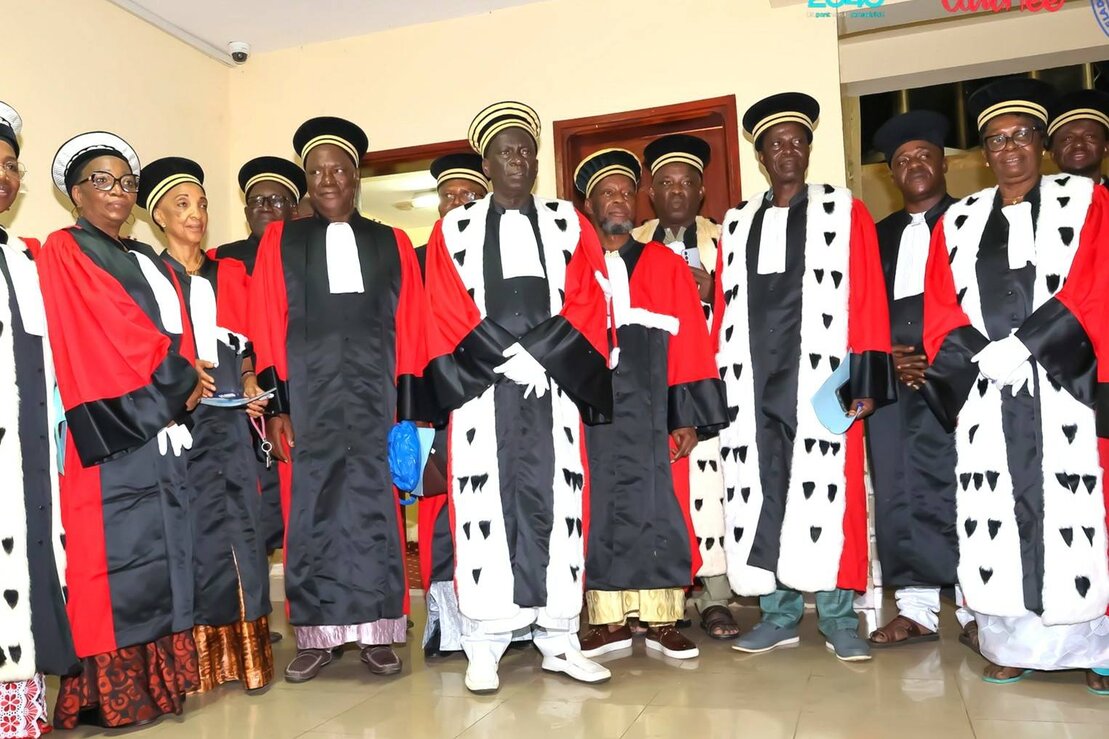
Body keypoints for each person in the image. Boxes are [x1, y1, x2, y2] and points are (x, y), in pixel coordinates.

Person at [922, 77, 1109, 694]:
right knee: (995, 511)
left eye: (1021, 135)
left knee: (1077, 513)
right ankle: (1012, 645)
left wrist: (1027, 345)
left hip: (1066, 385)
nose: (1009, 149)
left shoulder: (1087, 202)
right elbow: (939, 304)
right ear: (983, 153)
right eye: (996, 140)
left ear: (1043, 143)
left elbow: (1095, 282)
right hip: (987, 388)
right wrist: (981, 356)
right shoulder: (958, 221)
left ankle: (1098, 650)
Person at [420, 101, 613, 694]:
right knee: (485, 512)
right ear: (487, 163)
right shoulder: (453, 229)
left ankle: (560, 642)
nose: (518, 160)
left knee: (559, 507)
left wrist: (543, 356)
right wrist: (503, 357)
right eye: (506, 152)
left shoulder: (566, 221)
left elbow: (589, 294)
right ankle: (484, 647)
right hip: (484, 393)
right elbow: (443, 303)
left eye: (526, 150)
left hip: (552, 389)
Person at [715, 92, 895, 662]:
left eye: (798, 141)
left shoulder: (844, 211)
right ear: (761, 156)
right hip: (752, 383)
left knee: (829, 493)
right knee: (763, 492)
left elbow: (868, 295)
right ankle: (779, 614)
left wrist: (866, 380)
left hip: (822, 378)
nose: (788, 151)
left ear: (809, 150)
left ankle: (839, 617)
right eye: (777, 144)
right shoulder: (737, 222)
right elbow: (724, 307)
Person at [250, 116, 430, 683]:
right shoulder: (281, 241)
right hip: (308, 403)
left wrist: (407, 414)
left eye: (339, 170)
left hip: (377, 402)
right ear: (306, 180)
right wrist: (277, 407)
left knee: (376, 512)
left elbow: (412, 328)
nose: (328, 180)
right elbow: (266, 323)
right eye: (317, 171)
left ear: (356, 178)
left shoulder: (392, 242)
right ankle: (316, 637)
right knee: (311, 513)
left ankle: (378, 633)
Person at [39, 132, 208, 728]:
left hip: (155, 420)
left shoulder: (141, 256)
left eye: (126, 182)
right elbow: (114, 326)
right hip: (110, 425)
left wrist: (186, 374)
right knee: (110, 561)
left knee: (161, 552)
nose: (117, 190)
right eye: (102, 180)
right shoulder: (66, 248)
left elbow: (172, 324)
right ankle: (109, 696)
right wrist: (179, 377)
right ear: (76, 193)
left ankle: (159, 685)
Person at [573, 148, 727, 661]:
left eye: (625, 191)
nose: (618, 200)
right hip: (593, 417)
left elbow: (690, 343)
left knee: (662, 509)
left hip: (655, 414)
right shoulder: (575, 266)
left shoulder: (664, 264)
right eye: (607, 193)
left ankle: (663, 619)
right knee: (599, 510)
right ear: (590, 204)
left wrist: (688, 419)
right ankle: (608, 621)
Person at [137, 157, 274, 693]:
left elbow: (247, 342)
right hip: (182, 424)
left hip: (232, 426)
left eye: (201, 204)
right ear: (158, 216)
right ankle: (201, 663)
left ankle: (249, 657)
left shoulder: (229, 272)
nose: (195, 214)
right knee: (195, 535)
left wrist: (250, 382)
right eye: (182, 205)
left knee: (245, 529)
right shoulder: (148, 276)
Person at [864, 111, 976, 650]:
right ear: (891, 174)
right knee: (899, 491)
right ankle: (916, 611)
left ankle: (978, 609)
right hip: (891, 381)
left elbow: (984, 301)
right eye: (902, 160)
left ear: (943, 163)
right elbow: (859, 309)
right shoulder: (875, 235)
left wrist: (940, 358)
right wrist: (885, 359)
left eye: (923, 155)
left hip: (958, 377)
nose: (914, 165)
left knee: (965, 490)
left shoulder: (973, 221)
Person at [631, 135, 736, 641]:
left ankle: (716, 597)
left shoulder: (726, 239)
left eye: (686, 183)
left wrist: (715, 289)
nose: (677, 191)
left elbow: (756, 307)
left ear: (700, 192)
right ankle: (666, 595)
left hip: (712, 381)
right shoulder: (631, 244)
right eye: (666, 183)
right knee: (662, 492)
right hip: (653, 388)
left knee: (714, 489)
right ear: (651, 193)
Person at [0, 101, 77, 739]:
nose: (4, 176)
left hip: (27, 447)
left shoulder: (27, 258)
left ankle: (20, 716)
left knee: (26, 568)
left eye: (10, 166)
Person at [215, 156, 307, 611]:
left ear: (295, 207)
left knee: (301, 506)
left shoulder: (307, 252)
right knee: (254, 511)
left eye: (277, 199)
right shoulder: (222, 260)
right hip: (242, 403)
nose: (265, 207)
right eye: (256, 200)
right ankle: (251, 616)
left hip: (300, 394)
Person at [413, 152, 490, 658]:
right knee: (442, 515)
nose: (458, 203)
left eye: (469, 195)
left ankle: (504, 621)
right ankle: (450, 626)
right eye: (448, 195)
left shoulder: (502, 252)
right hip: (437, 404)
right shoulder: (417, 258)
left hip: (496, 401)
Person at [1048, 89, 1109, 187]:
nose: (1078, 144)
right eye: (1067, 138)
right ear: (1053, 155)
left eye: (1089, 136)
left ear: (1106, 148)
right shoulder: (1040, 197)